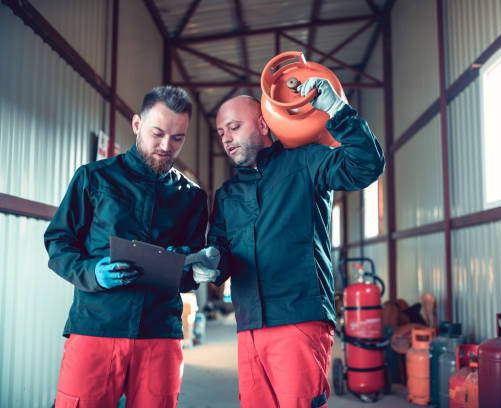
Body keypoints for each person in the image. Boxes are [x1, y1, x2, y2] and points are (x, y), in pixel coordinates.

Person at [209, 77, 385, 407]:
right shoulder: (226, 195)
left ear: (262, 124)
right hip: (248, 326)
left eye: (233, 127)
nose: (226, 138)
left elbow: (366, 166)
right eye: (221, 133)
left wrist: (336, 109)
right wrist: (209, 264)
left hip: (299, 320)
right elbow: (221, 253)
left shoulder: (305, 161)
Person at [44, 86, 216, 408]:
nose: (166, 146)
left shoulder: (191, 197)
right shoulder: (94, 179)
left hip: (159, 332)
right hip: (97, 325)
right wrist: (92, 272)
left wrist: (197, 273)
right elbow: (58, 242)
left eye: (177, 138)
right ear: (137, 124)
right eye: (158, 133)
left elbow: (188, 270)